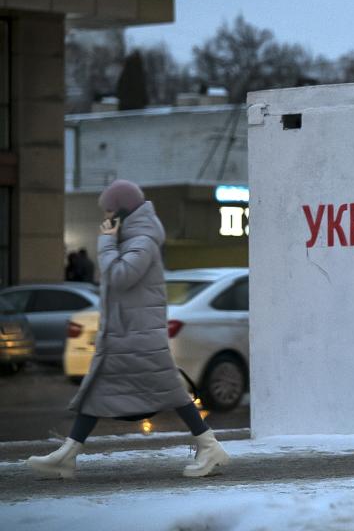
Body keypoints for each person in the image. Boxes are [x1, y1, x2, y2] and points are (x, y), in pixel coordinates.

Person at [26, 179, 229, 479]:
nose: (105, 217)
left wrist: (105, 242)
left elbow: (120, 276)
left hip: (139, 336)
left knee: (169, 391)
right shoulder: (130, 236)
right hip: (126, 335)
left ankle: (210, 446)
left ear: (122, 210)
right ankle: (67, 455)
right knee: (98, 391)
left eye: (109, 210)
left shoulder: (143, 238)